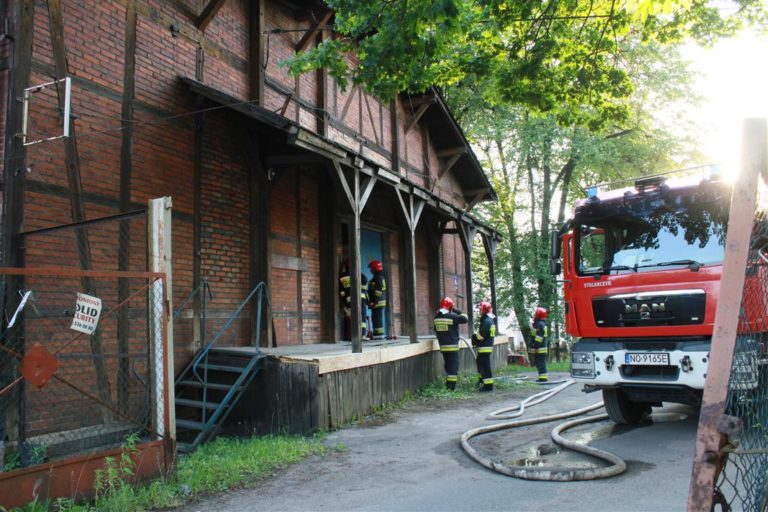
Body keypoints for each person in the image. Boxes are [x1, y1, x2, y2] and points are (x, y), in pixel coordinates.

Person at [433, 297, 468, 390]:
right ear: (450, 307)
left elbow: (435, 330)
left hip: (443, 347)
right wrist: (455, 309)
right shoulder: (452, 317)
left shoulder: (436, 318)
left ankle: (448, 385)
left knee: (448, 366)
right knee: (453, 368)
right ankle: (451, 387)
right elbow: (465, 318)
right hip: (452, 346)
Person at [339, 258, 368, 340]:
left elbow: (342, 292)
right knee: (362, 315)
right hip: (360, 297)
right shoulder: (358, 273)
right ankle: (362, 334)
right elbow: (365, 281)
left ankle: (354, 334)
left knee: (353, 316)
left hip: (349, 299)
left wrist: (344, 301)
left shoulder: (342, 276)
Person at [471, 301, 496, 391]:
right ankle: (482, 381)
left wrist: (474, 337)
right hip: (485, 347)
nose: (479, 311)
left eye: (480, 309)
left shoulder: (486, 321)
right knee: (481, 365)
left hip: (484, 348)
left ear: (484, 310)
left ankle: (488, 386)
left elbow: (481, 336)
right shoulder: (488, 320)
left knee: (485, 367)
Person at [367, 260, 387, 340]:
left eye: (371, 269)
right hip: (379, 302)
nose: (370, 270)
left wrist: (375, 302)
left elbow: (377, 292)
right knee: (376, 318)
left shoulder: (378, 278)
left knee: (377, 319)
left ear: (375, 268)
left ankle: (378, 335)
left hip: (377, 303)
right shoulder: (379, 277)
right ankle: (377, 334)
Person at [528, 307, 549, 382]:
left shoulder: (540, 324)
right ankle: (542, 377)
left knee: (540, 363)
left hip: (540, 348)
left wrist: (535, 346)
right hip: (540, 347)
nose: (534, 315)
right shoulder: (540, 323)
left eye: (535, 314)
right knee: (539, 362)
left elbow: (539, 337)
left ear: (539, 315)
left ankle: (543, 378)